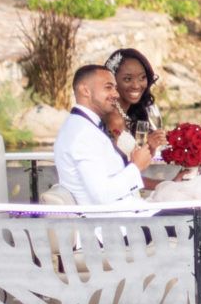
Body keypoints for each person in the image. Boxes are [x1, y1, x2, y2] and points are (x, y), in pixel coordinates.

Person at [53, 62, 147, 207]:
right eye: (108, 87)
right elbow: (102, 195)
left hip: (128, 212)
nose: (116, 94)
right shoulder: (82, 134)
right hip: (116, 222)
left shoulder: (82, 125)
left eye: (115, 88)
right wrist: (136, 167)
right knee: (192, 213)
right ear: (85, 91)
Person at [104, 47, 159, 146]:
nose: (136, 85)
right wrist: (147, 146)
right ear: (112, 80)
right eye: (127, 79)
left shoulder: (132, 112)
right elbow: (114, 159)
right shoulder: (113, 119)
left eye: (142, 77)